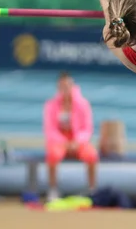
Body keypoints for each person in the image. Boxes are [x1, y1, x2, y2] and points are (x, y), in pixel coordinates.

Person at [43, 72, 99, 201]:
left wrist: (77, 141)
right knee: (52, 155)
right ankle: (53, 189)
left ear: (73, 86)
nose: (65, 89)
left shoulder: (83, 104)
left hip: (78, 142)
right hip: (59, 142)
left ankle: (92, 189)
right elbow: (50, 129)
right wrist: (64, 142)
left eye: (67, 86)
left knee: (92, 155)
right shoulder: (51, 105)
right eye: (62, 87)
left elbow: (87, 128)